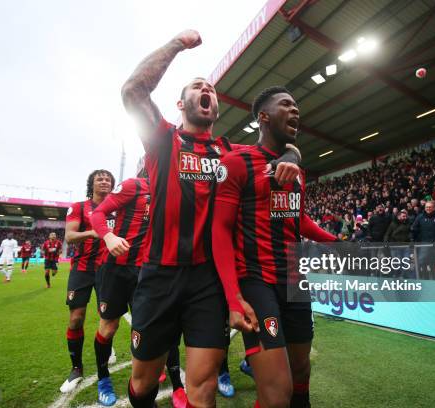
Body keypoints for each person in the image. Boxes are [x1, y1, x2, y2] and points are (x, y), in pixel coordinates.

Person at [121, 30, 301, 408]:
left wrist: (292, 157)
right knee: (142, 383)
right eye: (199, 87)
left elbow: (281, 148)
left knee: (202, 389)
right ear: (181, 103)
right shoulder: (162, 140)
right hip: (159, 276)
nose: (208, 90)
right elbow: (133, 91)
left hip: (208, 282)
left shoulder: (232, 153)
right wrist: (174, 46)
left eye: (212, 89)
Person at [212, 86, 337, 408]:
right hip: (256, 281)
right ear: (263, 117)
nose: (295, 110)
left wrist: (337, 242)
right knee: (276, 394)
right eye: (286, 105)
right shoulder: (236, 162)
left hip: (295, 279)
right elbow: (221, 229)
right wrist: (233, 297)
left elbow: (300, 220)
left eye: (297, 105)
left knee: (301, 370)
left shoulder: (297, 170)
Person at [90, 173, 188, 407]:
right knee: (109, 326)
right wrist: (109, 236)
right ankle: (103, 379)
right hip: (117, 270)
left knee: (163, 326)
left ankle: (178, 385)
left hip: (151, 273)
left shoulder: (176, 188)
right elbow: (97, 213)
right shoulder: (134, 185)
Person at [60, 170, 115, 394]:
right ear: (91, 184)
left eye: (108, 179)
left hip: (109, 270)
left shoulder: (118, 207)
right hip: (82, 269)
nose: (104, 181)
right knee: (76, 319)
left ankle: (105, 361)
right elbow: (70, 236)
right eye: (100, 179)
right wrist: (95, 232)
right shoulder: (79, 207)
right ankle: (76, 368)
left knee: (108, 322)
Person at [411, 201, 435, 280]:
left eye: (430, 207)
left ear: (434, 208)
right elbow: (414, 229)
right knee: (419, 262)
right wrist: (412, 239)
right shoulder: (420, 217)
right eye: (426, 207)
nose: (428, 208)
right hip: (425, 244)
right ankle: (415, 280)